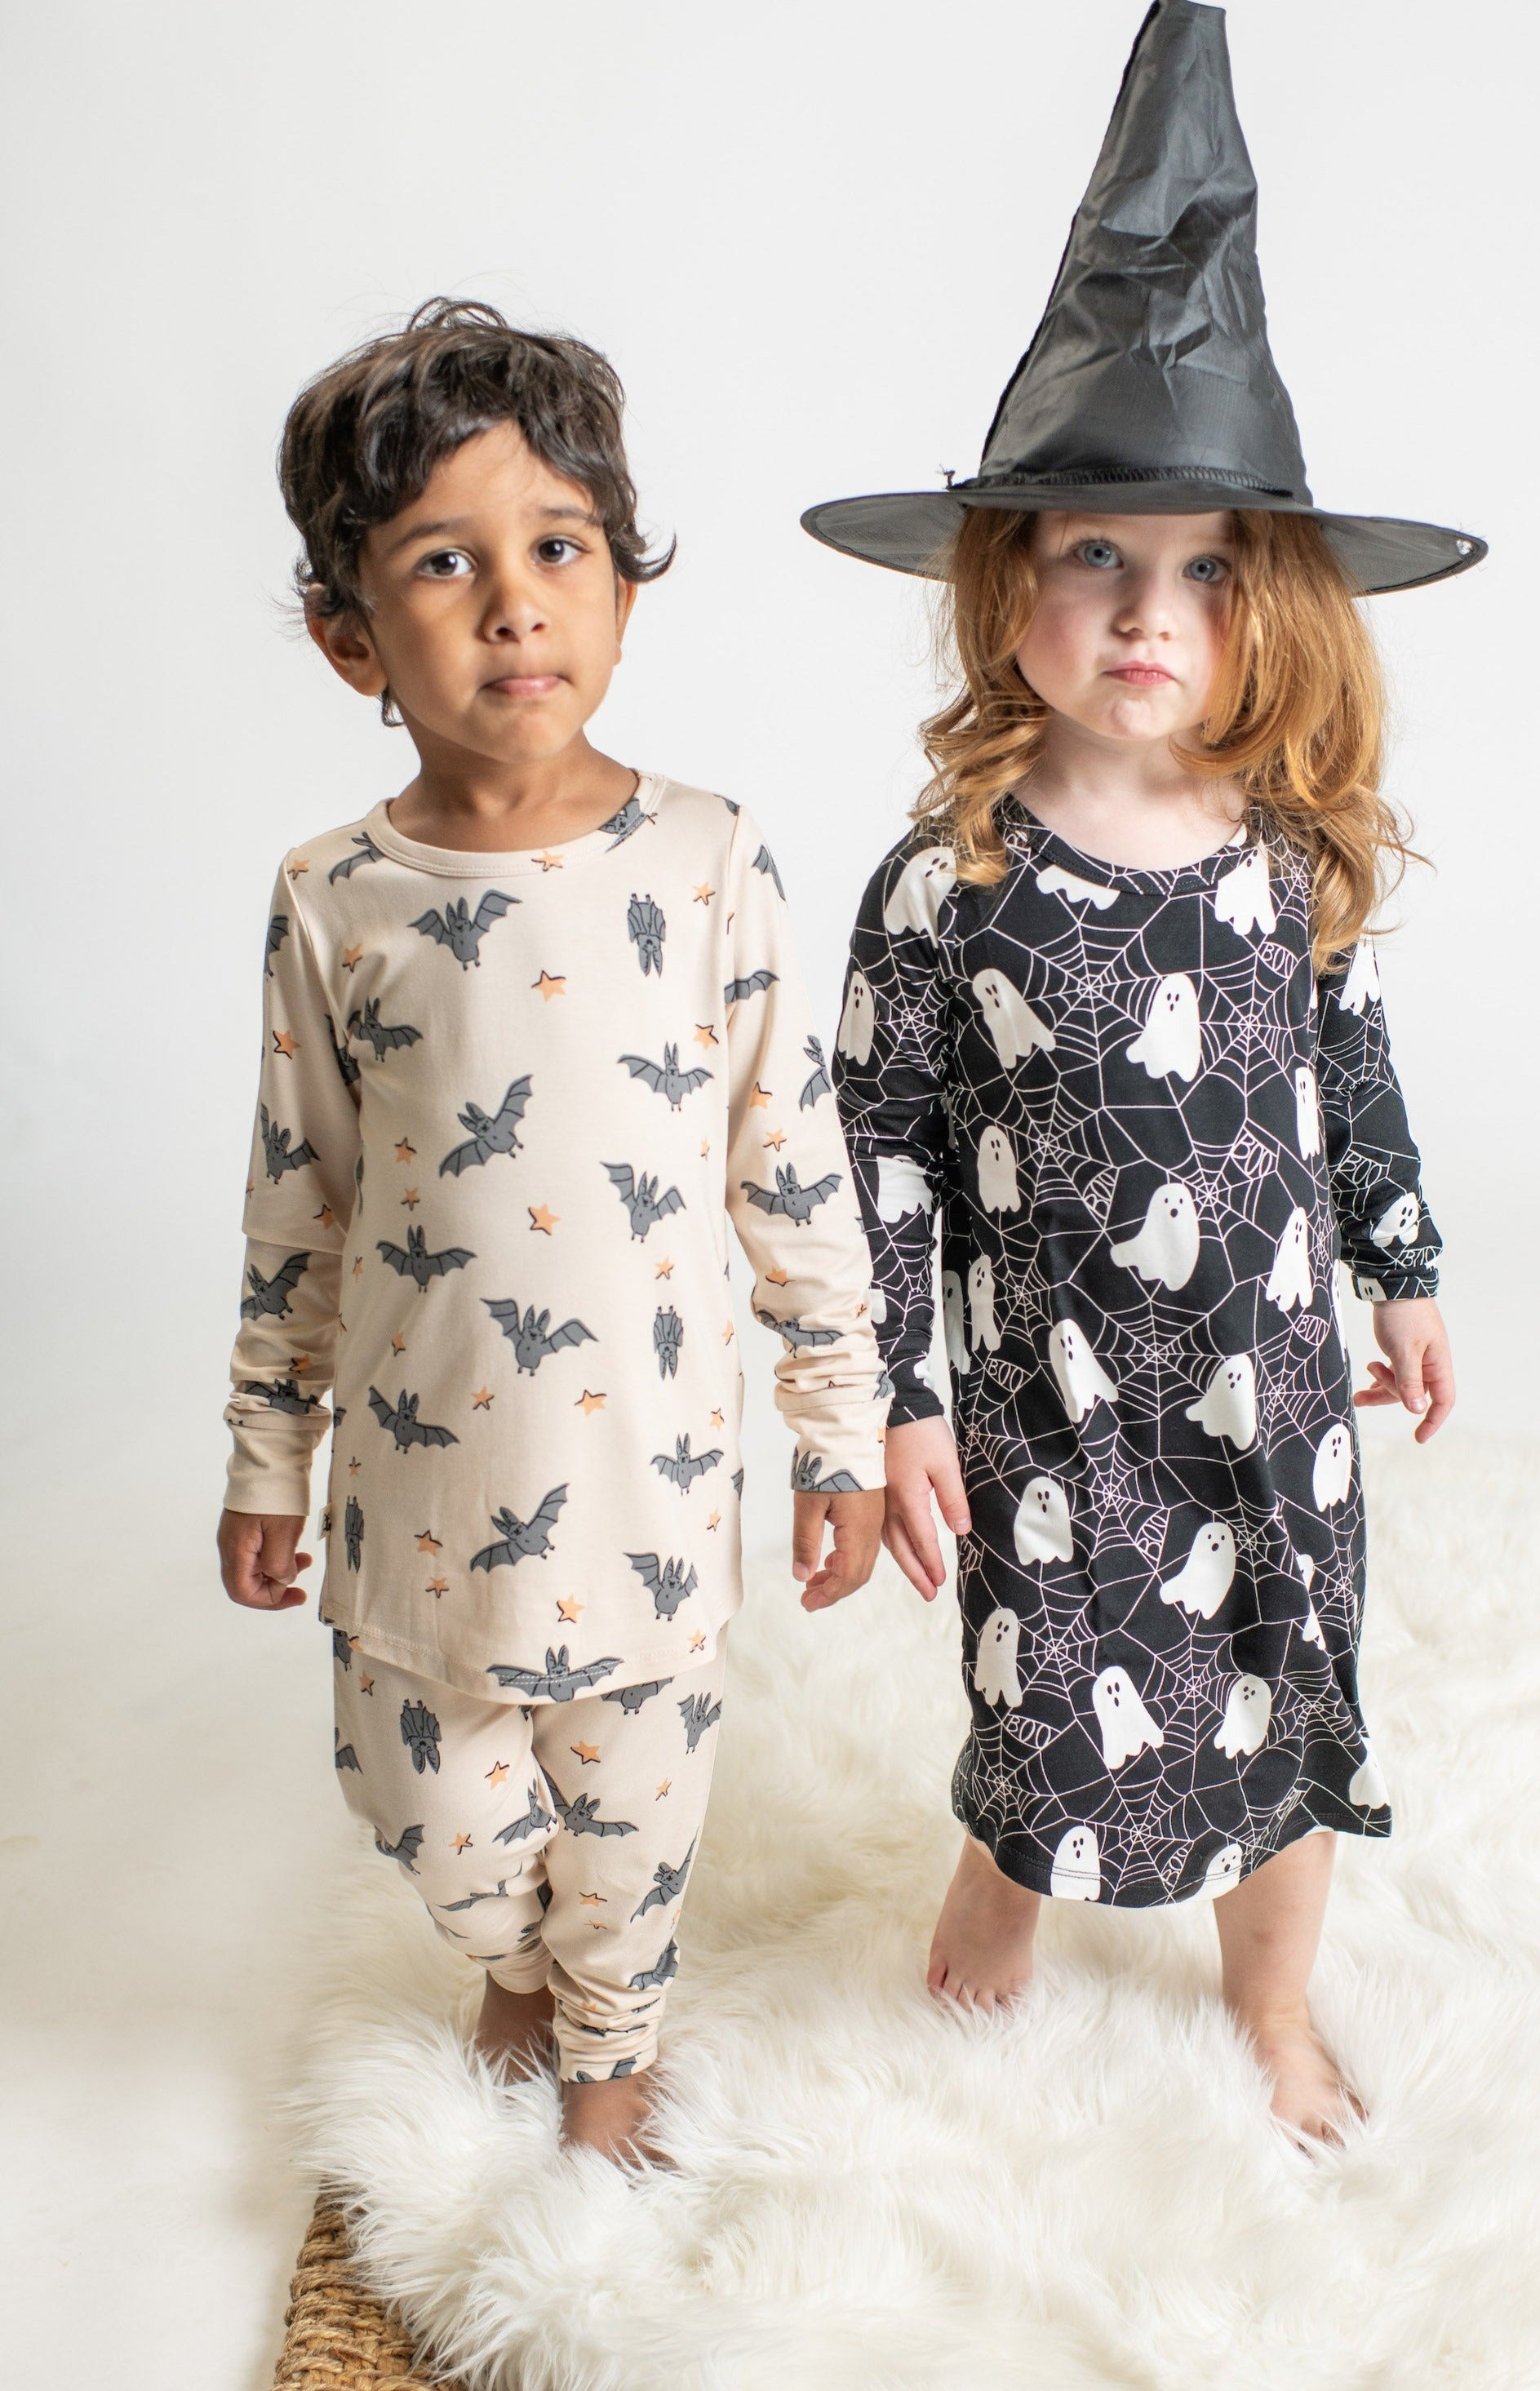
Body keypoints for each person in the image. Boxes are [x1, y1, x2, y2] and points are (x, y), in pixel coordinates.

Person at [806, 1, 1474, 2147]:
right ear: (1006, 575)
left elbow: (1351, 1069)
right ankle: (995, 1906)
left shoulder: (1288, 857)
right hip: (1055, 1406)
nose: (1144, 613)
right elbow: (873, 1152)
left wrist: (1403, 1272)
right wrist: (895, 1395)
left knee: (1286, 1691)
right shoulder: (955, 879)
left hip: (1268, 1395)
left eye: (1201, 568)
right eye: (1095, 552)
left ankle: (1271, 2002)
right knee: (1048, 1693)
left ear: (1272, 603)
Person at [217, 299, 886, 2163]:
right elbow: (299, 1195)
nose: (515, 604)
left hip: (645, 1485)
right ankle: (507, 1950)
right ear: (353, 636)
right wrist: (267, 1451)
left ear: (624, 589)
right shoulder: (337, 898)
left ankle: (610, 2054)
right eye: (448, 562)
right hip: (414, 1495)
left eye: (559, 549)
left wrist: (838, 1422)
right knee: (426, 1810)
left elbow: (788, 1156)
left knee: (631, 1822)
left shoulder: (705, 856)